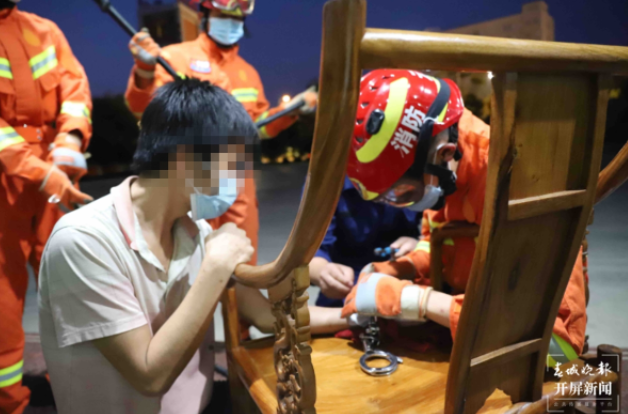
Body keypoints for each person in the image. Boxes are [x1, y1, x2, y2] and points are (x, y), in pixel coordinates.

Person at [38, 79, 344, 414]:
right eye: (233, 164)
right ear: (184, 157)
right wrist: (215, 267)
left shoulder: (196, 230)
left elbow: (265, 316)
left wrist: (358, 312)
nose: (238, 181)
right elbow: (150, 376)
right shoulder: (84, 241)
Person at [340, 69, 587, 367]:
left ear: (445, 153)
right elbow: (437, 243)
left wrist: (417, 301)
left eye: (404, 191)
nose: (403, 203)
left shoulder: (520, 183)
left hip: (523, 365)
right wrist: (399, 269)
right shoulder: (444, 173)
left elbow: (558, 349)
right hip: (466, 333)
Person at [124, 0, 318, 266]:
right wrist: (144, 71)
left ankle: (239, 295)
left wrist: (290, 110)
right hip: (188, 177)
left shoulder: (248, 73)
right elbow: (144, 109)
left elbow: (258, 128)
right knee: (184, 264)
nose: (230, 23)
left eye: (236, 18)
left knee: (241, 263)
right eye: (223, 15)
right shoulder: (173, 58)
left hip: (237, 180)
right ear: (204, 16)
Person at [0, 0, 93, 411]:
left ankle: (81, 394)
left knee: (72, 290)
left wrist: (71, 137)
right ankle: (6, 405)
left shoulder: (44, 29)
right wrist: (42, 172)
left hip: (55, 171)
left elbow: (75, 87)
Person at [308, 176, 420, 307]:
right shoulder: (326, 179)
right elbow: (308, 253)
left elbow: (434, 231)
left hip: (405, 283)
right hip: (347, 286)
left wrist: (420, 245)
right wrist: (323, 272)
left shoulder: (418, 176)